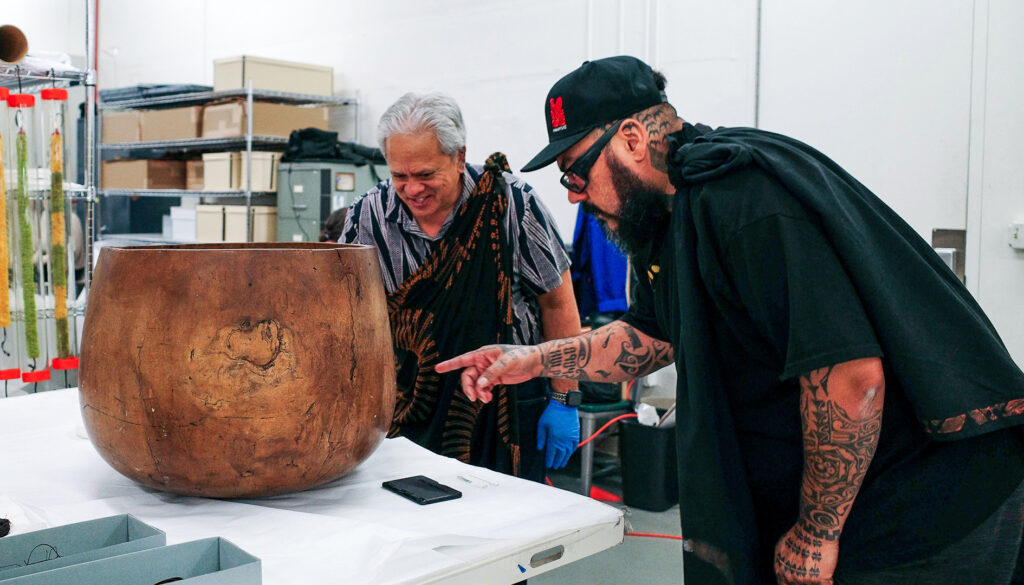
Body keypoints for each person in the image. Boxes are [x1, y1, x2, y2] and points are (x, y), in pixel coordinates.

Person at [437, 56, 1024, 585]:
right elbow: (652, 336)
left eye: (575, 171)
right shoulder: (672, 217)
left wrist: (817, 534)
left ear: (633, 139)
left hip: (926, 508)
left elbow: (851, 376)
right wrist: (532, 359)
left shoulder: (741, 201)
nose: (572, 195)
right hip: (865, 503)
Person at [341, 92, 581, 483]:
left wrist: (564, 397)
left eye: (425, 174)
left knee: (509, 523)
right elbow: (346, 315)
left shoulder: (511, 205)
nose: (412, 189)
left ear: (458, 157)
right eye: (399, 176)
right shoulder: (369, 216)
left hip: (508, 400)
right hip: (411, 405)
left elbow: (557, 303)